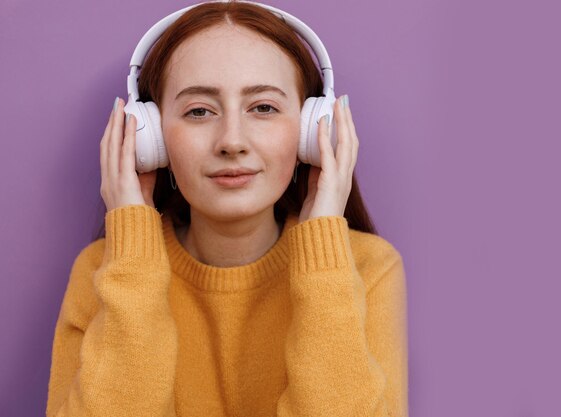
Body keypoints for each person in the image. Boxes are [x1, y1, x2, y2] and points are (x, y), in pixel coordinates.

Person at [46, 1, 408, 416]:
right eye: (199, 111)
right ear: (151, 139)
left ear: (313, 128)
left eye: (263, 108)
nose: (231, 141)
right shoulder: (104, 272)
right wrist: (133, 257)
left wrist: (323, 260)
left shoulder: (368, 267)